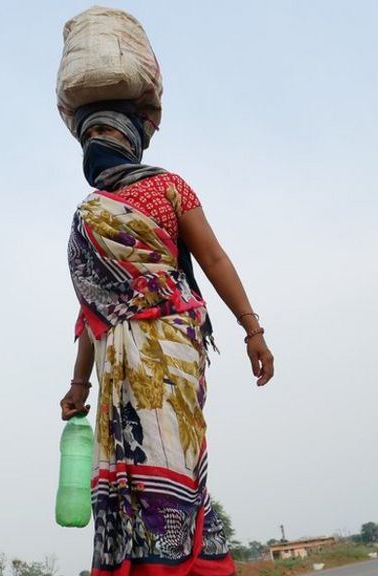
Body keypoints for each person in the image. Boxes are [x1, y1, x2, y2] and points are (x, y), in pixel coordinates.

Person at [59, 100, 275, 576]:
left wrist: (251, 329)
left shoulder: (169, 186)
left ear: (129, 140)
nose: (95, 144)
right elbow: (93, 307)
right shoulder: (88, 214)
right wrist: (79, 384)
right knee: (135, 466)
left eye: (104, 133)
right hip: (117, 359)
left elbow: (213, 258)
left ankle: (184, 561)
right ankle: (155, 564)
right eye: (88, 136)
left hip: (172, 347)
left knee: (174, 456)